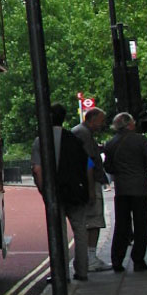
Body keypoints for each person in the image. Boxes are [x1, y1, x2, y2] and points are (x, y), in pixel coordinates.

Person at [32, 103, 93, 280]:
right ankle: (82, 271)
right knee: (80, 231)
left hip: (55, 193)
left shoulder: (40, 140)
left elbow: (38, 169)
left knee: (58, 233)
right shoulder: (74, 139)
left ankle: (61, 273)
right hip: (76, 191)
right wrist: (89, 191)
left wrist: (44, 192)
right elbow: (88, 166)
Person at [103, 112, 147, 272]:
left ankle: (117, 260)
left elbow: (108, 167)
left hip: (122, 189)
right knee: (141, 225)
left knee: (121, 225)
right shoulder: (140, 140)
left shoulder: (110, 143)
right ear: (129, 124)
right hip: (139, 188)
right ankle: (138, 260)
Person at [72, 107, 112, 271]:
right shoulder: (84, 133)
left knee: (88, 221)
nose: (102, 125)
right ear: (92, 119)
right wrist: (90, 188)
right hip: (89, 182)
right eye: (101, 121)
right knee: (93, 220)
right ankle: (90, 258)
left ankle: (87, 258)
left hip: (86, 182)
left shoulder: (80, 132)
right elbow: (88, 162)